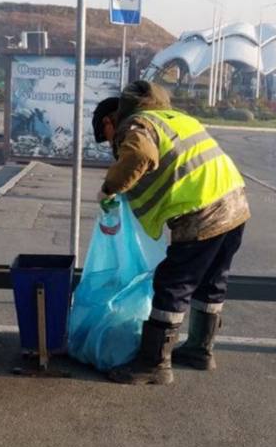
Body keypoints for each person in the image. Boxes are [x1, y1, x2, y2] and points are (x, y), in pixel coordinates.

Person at [92, 80, 249, 385]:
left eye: (106, 136)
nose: (111, 144)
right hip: (236, 204)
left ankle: (153, 364)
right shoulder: (175, 118)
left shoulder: (137, 124)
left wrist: (109, 187)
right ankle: (200, 351)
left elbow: (139, 157)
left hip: (202, 212)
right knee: (211, 281)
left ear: (110, 121)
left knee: (172, 284)